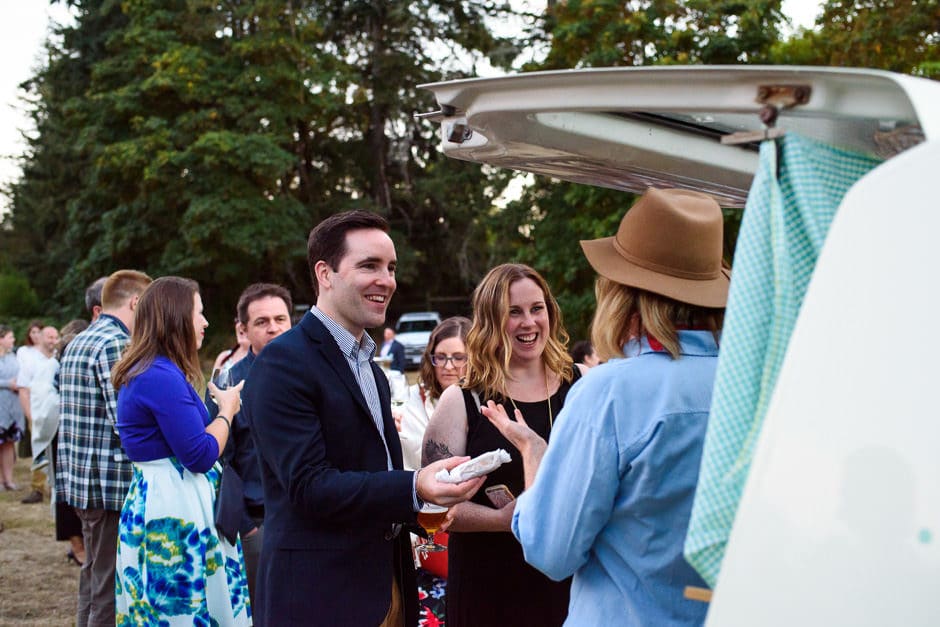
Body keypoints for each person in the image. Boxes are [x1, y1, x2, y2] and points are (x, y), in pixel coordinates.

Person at [483, 188, 728, 626]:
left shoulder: (609, 391)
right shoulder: (757, 386)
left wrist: (536, 460)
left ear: (621, 293)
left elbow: (550, 551)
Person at [242, 209, 485, 627]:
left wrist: (425, 503)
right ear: (325, 273)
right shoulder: (284, 362)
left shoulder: (371, 368)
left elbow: (371, 471)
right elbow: (309, 486)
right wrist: (413, 486)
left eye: (390, 268)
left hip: (386, 586)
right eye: (369, 266)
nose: (386, 280)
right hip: (320, 597)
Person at [422, 263, 584, 627]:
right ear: (491, 320)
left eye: (536, 308)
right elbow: (432, 509)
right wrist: (501, 520)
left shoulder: (582, 386)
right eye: (513, 312)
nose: (529, 322)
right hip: (488, 588)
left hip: (569, 585)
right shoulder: (460, 401)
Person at [112, 276, 250, 625]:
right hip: (172, 508)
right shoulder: (159, 375)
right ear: (175, 318)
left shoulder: (156, 370)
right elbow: (201, 454)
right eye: (199, 313)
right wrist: (227, 409)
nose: (205, 322)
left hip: (171, 497)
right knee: (180, 610)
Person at [56, 269, 153, 627]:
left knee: (94, 575)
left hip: (82, 482)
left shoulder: (82, 339)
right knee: (109, 587)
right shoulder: (115, 343)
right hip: (108, 486)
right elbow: (125, 420)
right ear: (135, 303)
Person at [206, 282, 293, 611]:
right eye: (262, 322)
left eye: (280, 319)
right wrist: (247, 527)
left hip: (310, 518)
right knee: (262, 612)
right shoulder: (227, 386)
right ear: (242, 329)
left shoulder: (314, 375)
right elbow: (218, 464)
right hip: (258, 524)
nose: (273, 328)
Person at [396, 316, 471, 471]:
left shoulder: (483, 402)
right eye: (440, 357)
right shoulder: (409, 398)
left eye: (458, 358)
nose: (448, 366)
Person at [51, 319, 90, 566]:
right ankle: (76, 544)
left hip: (74, 429)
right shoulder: (62, 361)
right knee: (66, 492)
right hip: (63, 428)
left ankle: (80, 543)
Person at [17, 325, 60, 504]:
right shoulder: (31, 360)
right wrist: (30, 416)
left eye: (55, 337)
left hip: (56, 414)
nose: (52, 340)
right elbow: (23, 389)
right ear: (41, 338)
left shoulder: (59, 358)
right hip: (37, 412)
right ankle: (37, 488)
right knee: (39, 450)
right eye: (49, 337)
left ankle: (55, 489)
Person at [0, 324, 25, 490]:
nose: (13, 340)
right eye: (10, 337)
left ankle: (8, 479)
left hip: (13, 406)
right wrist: (9, 384)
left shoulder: (14, 356)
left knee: (9, 444)